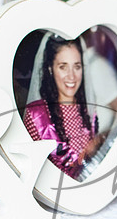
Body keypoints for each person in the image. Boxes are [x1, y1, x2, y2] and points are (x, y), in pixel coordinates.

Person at [22, 36, 105, 180]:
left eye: (77, 67)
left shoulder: (88, 111)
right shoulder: (36, 115)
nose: (71, 76)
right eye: (63, 67)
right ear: (50, 69)